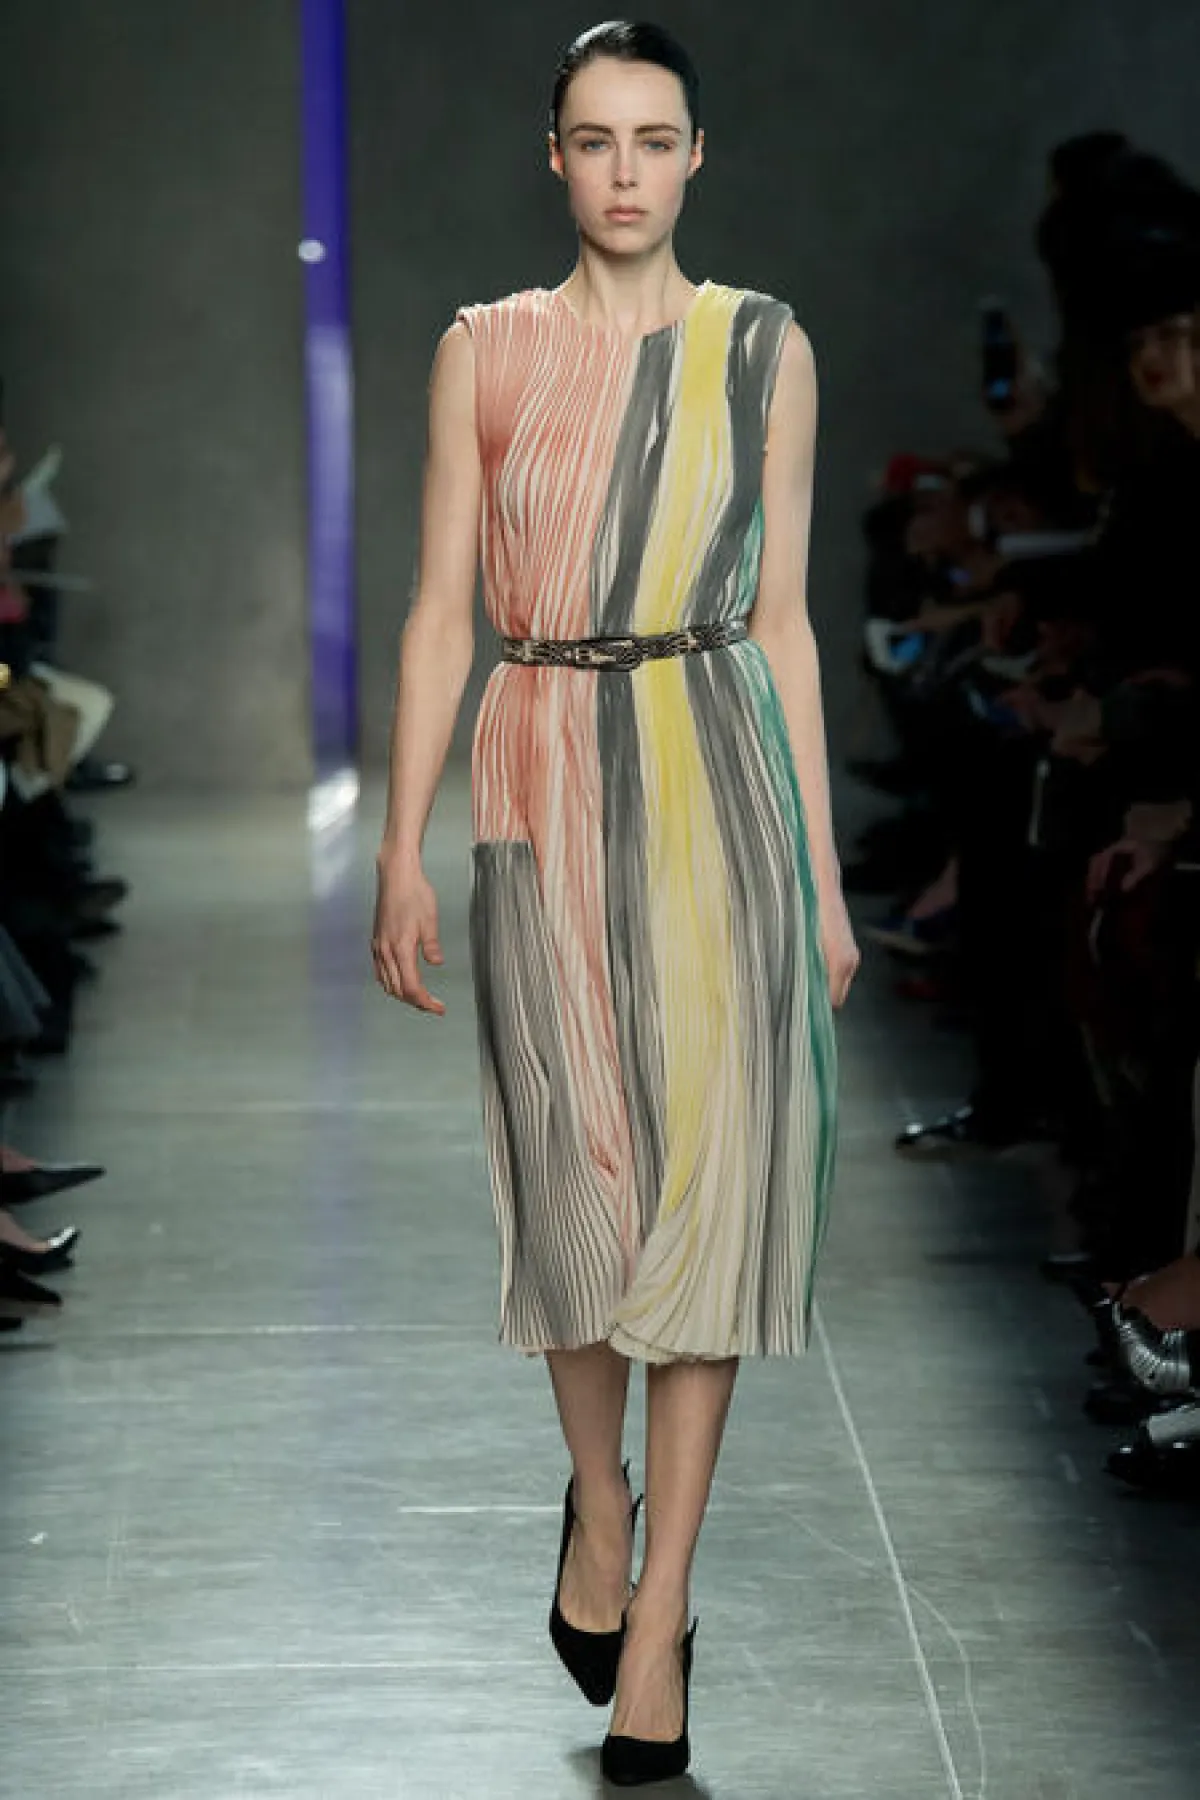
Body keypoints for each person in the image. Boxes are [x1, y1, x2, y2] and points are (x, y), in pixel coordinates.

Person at [371, 20, 857, 1786]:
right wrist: (398, 845)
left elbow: (786, 621)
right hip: (540, 765)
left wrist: (824, 877)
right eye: (596, 139)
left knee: (708, 1200)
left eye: (657, 139)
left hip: (719, 772)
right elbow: (442, 610)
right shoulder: (485, 350)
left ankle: (660, 1622)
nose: (628, 171)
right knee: (573, 1189)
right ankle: (599, 1503)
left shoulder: (765, 349)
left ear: (698, 156)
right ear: (557, 158)